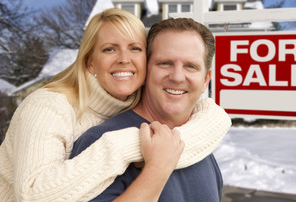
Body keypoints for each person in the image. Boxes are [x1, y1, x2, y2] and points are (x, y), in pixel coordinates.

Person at [0, 9, 231, 202]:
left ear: (206, 80)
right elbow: (30, 195)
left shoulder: (198, 142)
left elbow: (212, 116)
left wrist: (218, 118)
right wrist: (137, 150)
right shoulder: (52, 110)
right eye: (165, 63)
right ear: (90, 62)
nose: (124, 59)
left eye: (135, 48)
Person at [71, 18, 225, 202]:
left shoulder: (201, 145)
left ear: (205, 80)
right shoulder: (100, 141)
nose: (177, 77)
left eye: (190, 66)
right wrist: (156, 169)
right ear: (145, 70)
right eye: (165, 63)